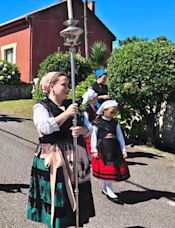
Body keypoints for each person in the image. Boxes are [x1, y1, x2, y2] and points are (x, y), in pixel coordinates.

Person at [27, 72, 95, 227]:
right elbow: (44, 127)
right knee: (58, 195)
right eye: (64, 84)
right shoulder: (41, 107)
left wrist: (82, 130)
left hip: (75, 157)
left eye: (68, 84)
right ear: (52, 87)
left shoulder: (73, 105)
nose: (67, 88)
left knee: (78, 195)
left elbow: (90, 128)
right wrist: (66, 114)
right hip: (54, 157)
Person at [90, 100, 130, 204]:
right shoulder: (97, 123)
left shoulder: (115, 123)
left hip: (114, 147)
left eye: (115, 112)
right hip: (103, 148)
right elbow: (93, 136)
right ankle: (109, 190)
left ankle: (106, 188)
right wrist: (93, 149)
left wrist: (123, 149)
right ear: (104, 110)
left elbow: (120, 136)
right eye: (111, 112)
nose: (113, 114)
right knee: (108, 169)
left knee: (113, 169)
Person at [82, 89, 99, 154]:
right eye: (96, 98)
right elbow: (86, 119)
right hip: (89, 127)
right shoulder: (86, 108)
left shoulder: (94, 106)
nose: (97, 99)